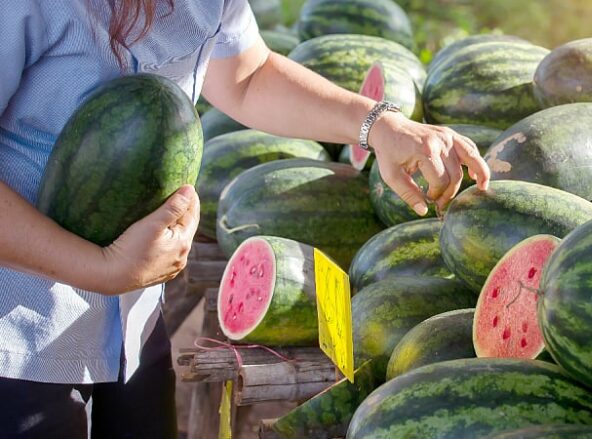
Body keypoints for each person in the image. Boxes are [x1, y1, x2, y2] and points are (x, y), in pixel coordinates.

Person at [0, 0, 491, 437]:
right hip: (17, 337)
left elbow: (246, 77)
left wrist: (378, 125)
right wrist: (98, 268)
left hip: (129, 324)